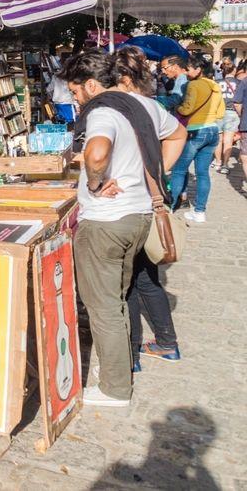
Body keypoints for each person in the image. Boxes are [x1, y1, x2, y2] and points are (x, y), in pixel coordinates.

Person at [58, 51, 186, 407]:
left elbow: (97, 153)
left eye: (75, 90)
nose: (75, 98)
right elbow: (178, 135)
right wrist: (153, 178)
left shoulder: (101, 110)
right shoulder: (144, 105)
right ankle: (123, 366)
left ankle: (114, 388)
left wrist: (96, 183)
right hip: (139, 216)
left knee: (104, 305)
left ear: (92, 84)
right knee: (117, 296)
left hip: (106, 220)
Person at [112, 48, 182, 370]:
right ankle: (166, 343)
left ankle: (133, 351)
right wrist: (159, 170)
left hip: (129, 206)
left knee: (129, 279)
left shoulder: (119, 108)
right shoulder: (152, 107)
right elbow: (178, 133)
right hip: (147, 201)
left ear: (123, 80)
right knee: (145, 276)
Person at [170, 53, 224, 222]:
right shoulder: (215, 85)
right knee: (203, 173)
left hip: (195, 131)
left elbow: (187, 109)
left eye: (189, 69)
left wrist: (178, 108)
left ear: (198, 69)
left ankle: (169, 207)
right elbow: (220, 112)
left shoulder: (193, 86)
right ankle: (200, 212)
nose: (186, 72)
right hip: (213, 130)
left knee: (179, 170)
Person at [214, 60, 240, 174]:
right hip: (232, 112)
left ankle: (218, 162)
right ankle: (225, 165)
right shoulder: (239, 83)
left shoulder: (216, 82)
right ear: (234, 70)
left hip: (218, 112)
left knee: (218, 140)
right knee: (228, 141)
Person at [232, 61, 247, 193]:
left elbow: (237, 103)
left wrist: (242, 114)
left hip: (246, 123)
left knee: (245, 155)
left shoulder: (244, 82)